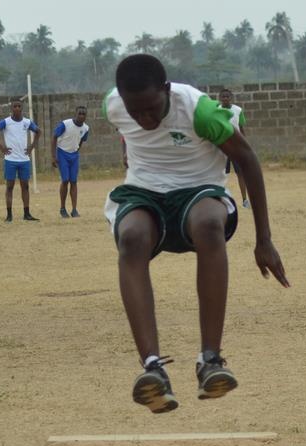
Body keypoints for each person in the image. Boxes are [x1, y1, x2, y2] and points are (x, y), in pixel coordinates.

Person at [104, 54, 288, 413]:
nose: (144, 119)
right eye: (135, 111)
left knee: (208, 225)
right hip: (145, 193)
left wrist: (263, 239)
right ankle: (152, 368)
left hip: (199, 189)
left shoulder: (199, 111)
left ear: (166, 89)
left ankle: (211, 360)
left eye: (151, 109)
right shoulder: (113, 105)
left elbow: (248, 160)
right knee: (131, 238)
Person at [0, 99, 40, 223]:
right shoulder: (6, 122)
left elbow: (38, 131)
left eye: (19, 106)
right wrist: (1, 147)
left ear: (22, 108)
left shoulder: (27, 122)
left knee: (25, 186)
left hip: (24, 160)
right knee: (9, 187)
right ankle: (9, 215)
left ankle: (27, 213)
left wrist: (32, 146)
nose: (17, 108)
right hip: (10, 160)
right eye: (14, 106)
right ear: (11, 108)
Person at [52, 105, 90, 218]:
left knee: (73, 181)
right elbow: (54, 137)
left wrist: (77, 149)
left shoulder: (86, 128)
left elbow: (82, 140)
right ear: (75, 114)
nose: (81, 116)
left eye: (83, 114)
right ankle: (62, 208)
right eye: (79, 113)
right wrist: (53, 156)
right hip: (62, 153)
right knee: (65, 180)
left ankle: (74, 210)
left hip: (74, 155)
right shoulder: (65, 124)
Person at [217, 88, 249, 208]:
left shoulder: (238, 110)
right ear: (220, 98)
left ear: (231, 98)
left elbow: (241, 129)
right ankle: (219, 198)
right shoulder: (217, 110)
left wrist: (245, 145)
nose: (225, 98)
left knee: (240, 173)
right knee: (220, 174)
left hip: (236, 147)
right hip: (222, 146)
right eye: (223, 96)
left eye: (227, 96)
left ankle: (245, 200)